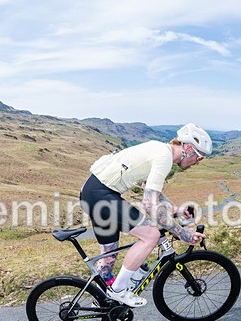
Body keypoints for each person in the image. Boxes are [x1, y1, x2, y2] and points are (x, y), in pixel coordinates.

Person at [80, 123, 211, 307]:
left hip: (92, 193)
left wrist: (175, 210)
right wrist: (183, 234)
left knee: (109, 254)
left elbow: (149, 189)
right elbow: (150, 205)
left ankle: (102, 301)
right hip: (101, 196)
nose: (197, 163)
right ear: (188, 148)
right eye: (199, 158)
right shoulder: (164, 158)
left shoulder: (158, 149)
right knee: (151, 235)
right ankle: (118, 291)